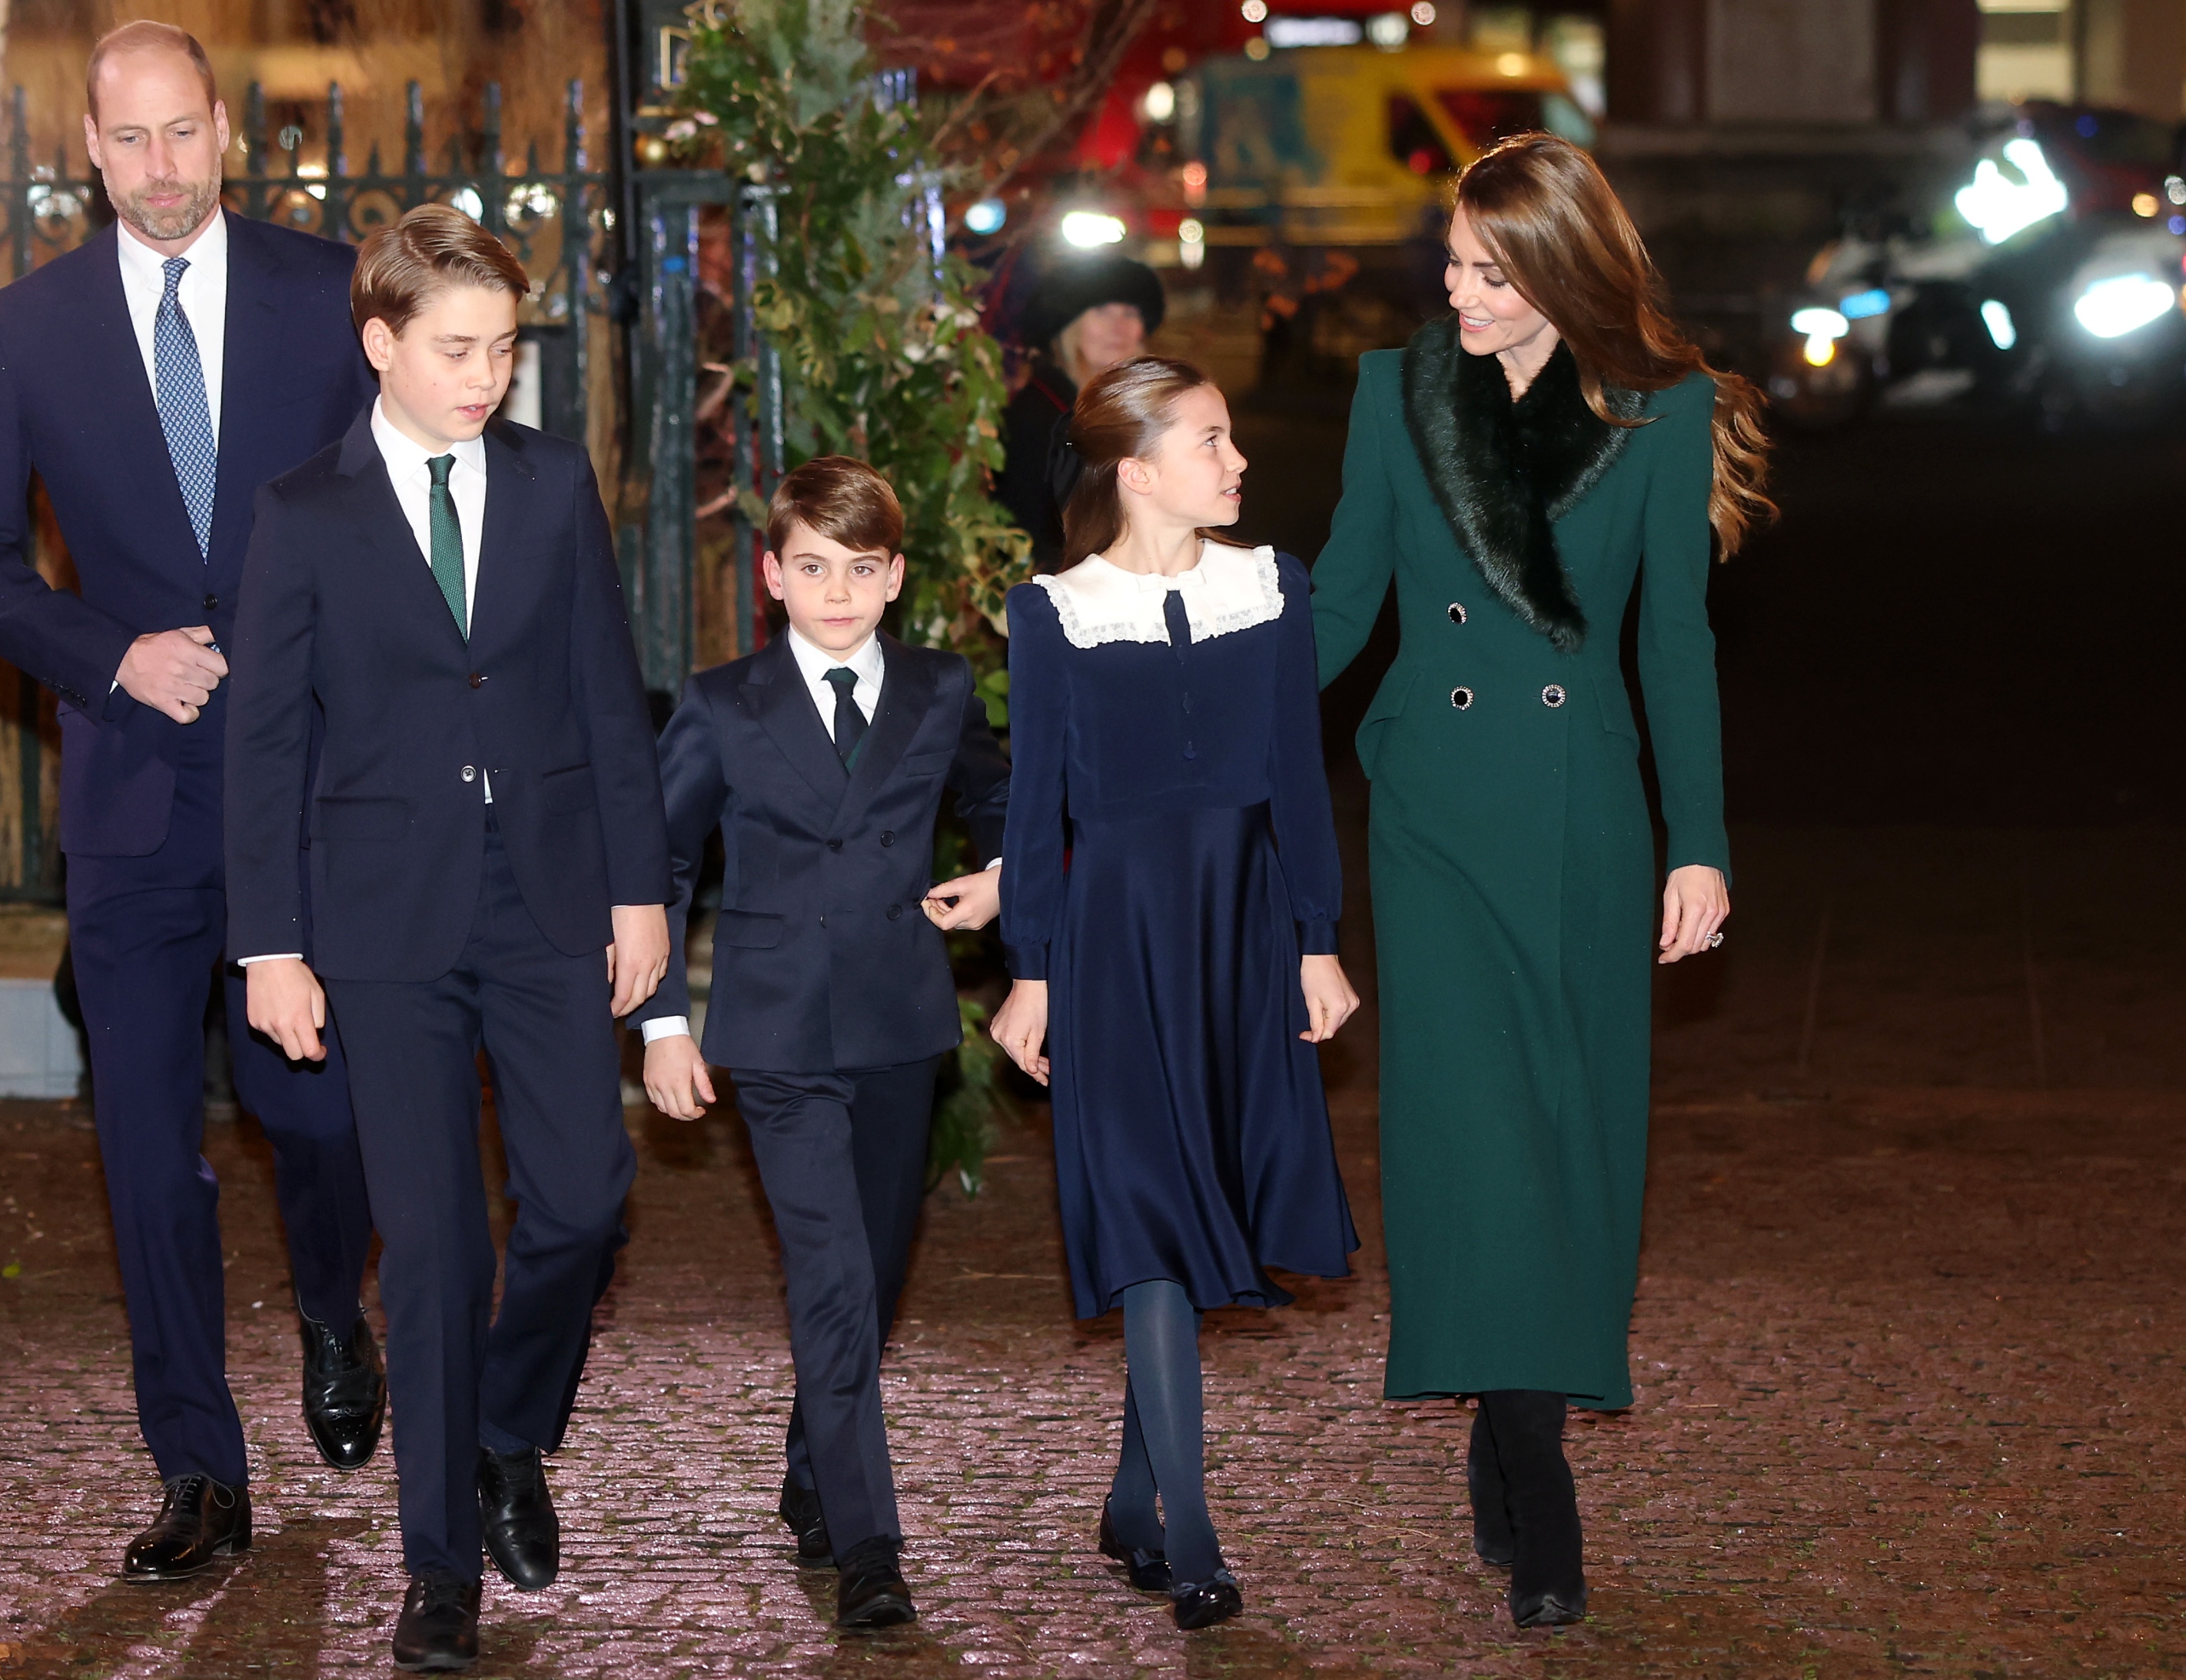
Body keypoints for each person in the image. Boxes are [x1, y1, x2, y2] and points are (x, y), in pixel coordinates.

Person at [0, 20, 384, 1583]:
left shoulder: (334, 298)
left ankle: (332, 1300)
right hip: (128, 798)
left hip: (305, 787)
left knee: (314, 1114)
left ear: (223, 133)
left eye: (185, 133)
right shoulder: (25, 330)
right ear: (92, 152)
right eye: (133, 142)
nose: (163, 168)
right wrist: (110, 654)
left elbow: (412, 502)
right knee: (142, 1148)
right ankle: (198, 1464)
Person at [1307, 133, 1764, 1629]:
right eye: (1450, 264)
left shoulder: (1666, 409)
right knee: (1471, 1141)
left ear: (1566, 273)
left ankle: (1518, 1424)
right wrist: (1187, 714)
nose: (1459, 295)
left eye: (1491, 274)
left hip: (1583, 819)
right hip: (1434, 819)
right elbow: (1342, 606)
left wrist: (1698, 841)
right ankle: (1536, 1471)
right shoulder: (1397, 394)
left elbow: (1675, 644)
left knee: (1573, 1141)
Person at [227, 203, 669, 1675]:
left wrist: (640, 887)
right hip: (381, 920)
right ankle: (437, 1571)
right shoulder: (305, 512)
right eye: (459, 349)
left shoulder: (550, 485)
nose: (488, 377)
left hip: (546, 896)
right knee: (426, 1248)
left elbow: (610, 694)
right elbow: (265, 745)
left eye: (503, 348)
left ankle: (502, 1432)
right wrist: (268, 944)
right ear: (381, 343)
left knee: (586, 1194)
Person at [988, 356, 1362, 1631]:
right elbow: (1034, 807)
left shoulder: (1272, 585)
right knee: (1147, 1208)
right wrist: (1028, 970)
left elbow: (1298, 783)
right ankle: (1190, 1531)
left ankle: (1129, 1494)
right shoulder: (1050, 613)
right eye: (1210, 441)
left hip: (1241, 931)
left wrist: (1315, 936)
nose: (1237, 461)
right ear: (1137, 470)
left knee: (1214, 1192)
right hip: (1112, 941)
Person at [635, 457, 1013, 1632]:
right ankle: (870, 1546)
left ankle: (814, 1461)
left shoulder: (941, 691)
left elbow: (1003, 797)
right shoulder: (721, 701)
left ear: (896, 577)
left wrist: (1000, 877)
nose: (836, 591)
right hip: (779, 1029)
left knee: (878, 1272)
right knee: (834, 1277)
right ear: (771, 575)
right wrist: (661, 1024)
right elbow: (659, 862)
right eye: (812, 567)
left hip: (902, 1024)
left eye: (860, 568)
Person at [998, 251, 1164, 569]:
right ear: (1068, 326)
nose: (1119, 326)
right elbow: (1028, 532)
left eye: (1130, 312)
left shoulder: (1150, 409)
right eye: (1101, 311)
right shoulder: (1037, 416)